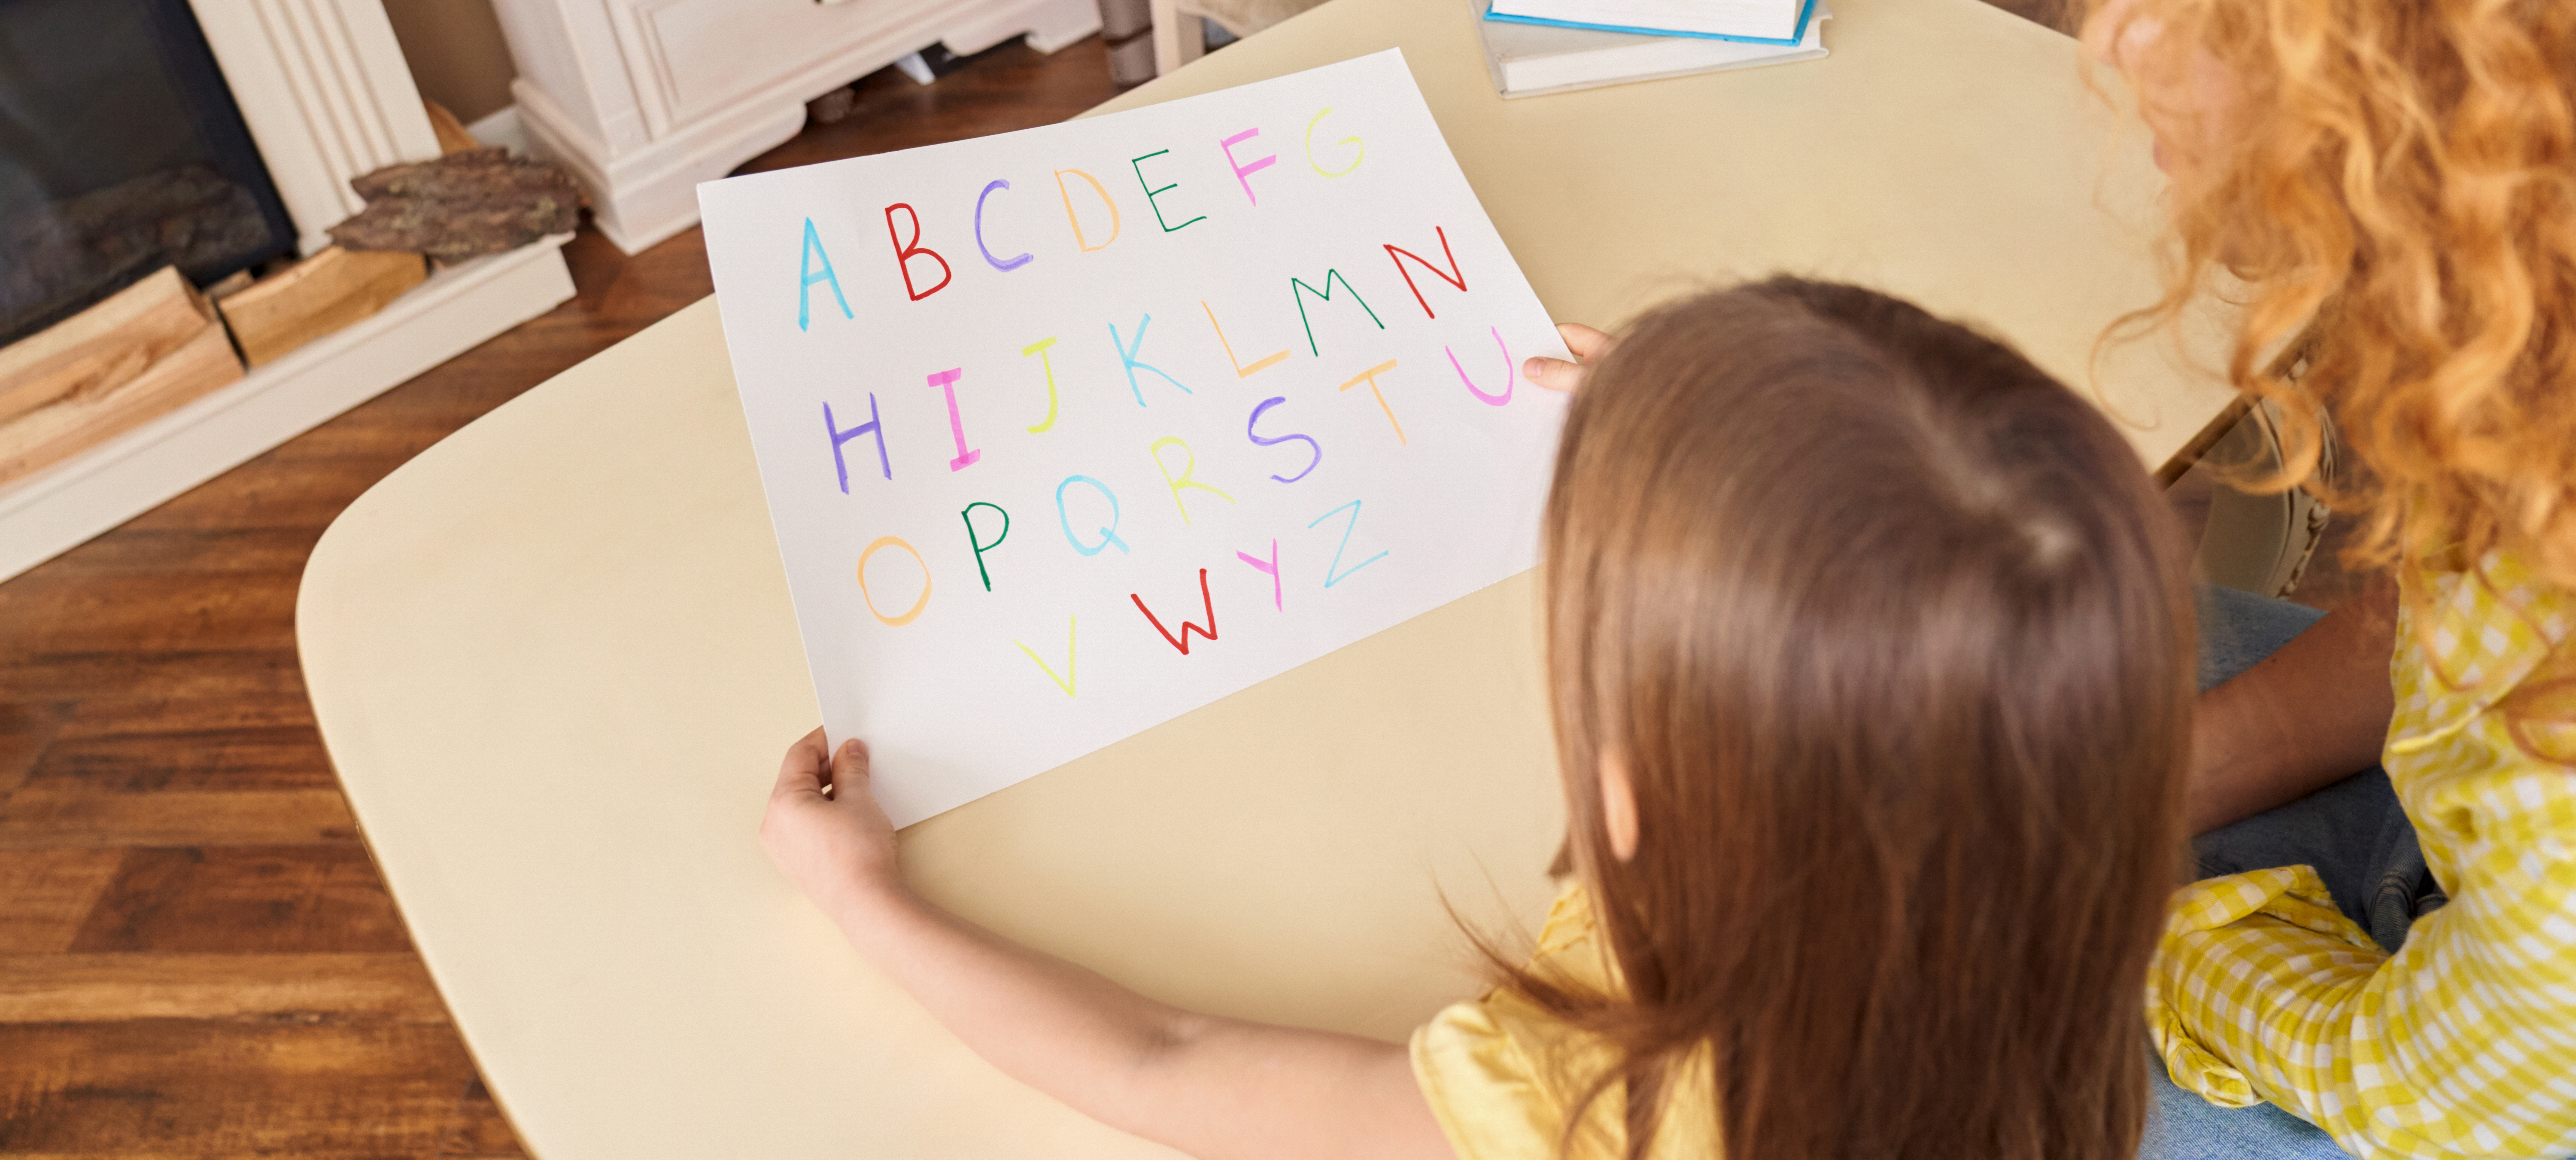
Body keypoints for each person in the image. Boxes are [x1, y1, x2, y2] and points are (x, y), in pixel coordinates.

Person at [761, 277, 2202, 1160]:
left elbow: (1164, 1062)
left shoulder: (1582, 1116)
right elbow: (1922, 526)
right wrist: (1693, 438)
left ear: (1642, 794)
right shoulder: (2045, 908)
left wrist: (863, 898)